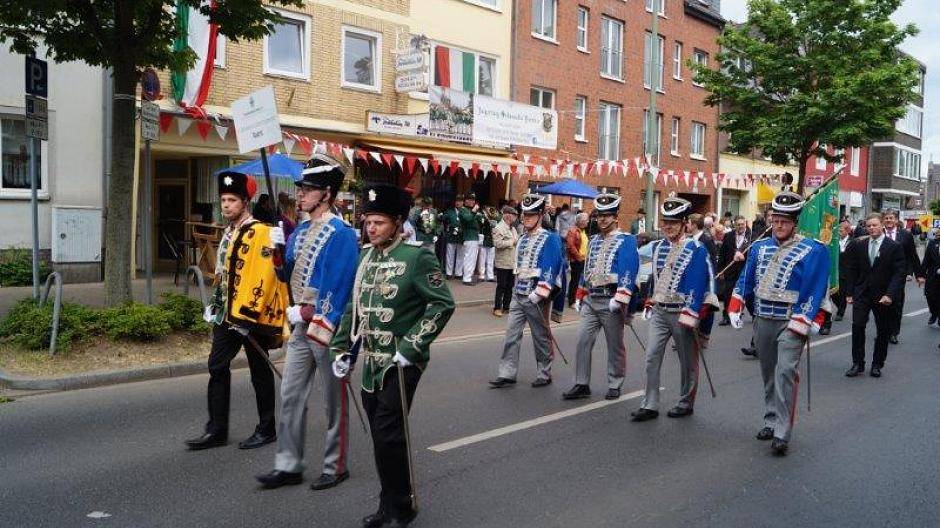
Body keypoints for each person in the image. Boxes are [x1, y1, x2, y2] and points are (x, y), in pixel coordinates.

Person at [330, 183, 455, 528]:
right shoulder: (365, 257)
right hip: (372, 362)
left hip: (402, 363)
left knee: (388, 433)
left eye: (379, 222)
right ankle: (389, 504)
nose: (371, 229)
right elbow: (354, 307)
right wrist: (341, 349)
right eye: (368, 221)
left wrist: (411, 347)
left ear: (398, 223)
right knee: (382, 437)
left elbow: (443, 304)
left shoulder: (417, 257)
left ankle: (401, 506)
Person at [255, 155, 358, 491]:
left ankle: (335, 465)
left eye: (308, 189)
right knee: (290, 394)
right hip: (301, 327)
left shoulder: (342, 234)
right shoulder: (299, 231)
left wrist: (308, 313)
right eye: (301, 188)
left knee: (333, 402)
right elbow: (286, 275)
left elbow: (338, 285)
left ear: (326, 194)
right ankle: (289, 465)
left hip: (328, 329)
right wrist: (277, 251)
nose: (300, 194)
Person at [185, 171, 287, 451]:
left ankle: (266, 428)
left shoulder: (261, 231)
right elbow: (223, 273)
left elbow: (266, 275)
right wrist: (216, 304)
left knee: (259, 369)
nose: (226, 205)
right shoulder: (228, 232)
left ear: (245, 202)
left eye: (232, 200)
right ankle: (216, 429)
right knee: (217, 365)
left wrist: (249, 315)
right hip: (226, 314)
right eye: (223, 200)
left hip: (251, 314)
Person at [728, 190, 830, 456]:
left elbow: (816, 286)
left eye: (784, 221)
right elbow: (747, 278)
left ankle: (782, 432)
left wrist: (809, 318)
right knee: (768, 373)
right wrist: (736, 303)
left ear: (795, 222)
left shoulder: (813, 250)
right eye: (775, 220)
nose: (779, 225)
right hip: (762, 318)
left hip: (791, 321)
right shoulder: (759, 248)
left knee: (785, 372)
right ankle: (771, 419)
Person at [630, 196, 717, 423]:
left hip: (682, 312)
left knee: (687, 361)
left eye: (674, 222)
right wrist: (648, 299)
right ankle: (649, 404)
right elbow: (653, 277)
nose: (668, 226)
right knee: (651, 356)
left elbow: (707, 279)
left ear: (684, 224)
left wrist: (699, 310)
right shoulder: (657, 247)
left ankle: (686, 401)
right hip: (660, 311)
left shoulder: (696, 248)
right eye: (666, 222)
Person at [563, 194, 638, 401]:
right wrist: (580, 292)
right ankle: (581, 383)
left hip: (611, 300)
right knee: (582, 340)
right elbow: (587, 269)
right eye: (600, 216)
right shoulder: (594, 240)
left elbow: (629, 271)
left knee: (614, 344)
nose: (603, 219)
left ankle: (615, 382)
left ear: (616, 216)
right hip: (591, 299)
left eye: (608, 215)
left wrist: (621, 298)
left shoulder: (626, 240)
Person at [489, 194, 566, 389]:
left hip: (537, 296)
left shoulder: (550, 238)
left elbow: (552, 266)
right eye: (525, 214)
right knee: (511, 335)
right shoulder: (522, 238)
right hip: (519, 294)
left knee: (540, 337)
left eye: (531, 215)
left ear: (540, 215)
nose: (526, 218)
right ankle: (507, 373)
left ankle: (544, 373)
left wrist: (540, 292)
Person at [842, 213, 907, 378]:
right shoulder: (860, 245)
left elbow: (899, 273)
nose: (871, 228)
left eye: (875, 225)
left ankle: (877, 364)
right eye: (869, 226)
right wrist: (849, 292)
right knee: (858, 326)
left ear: (882, 225)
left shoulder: (893, 246)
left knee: (883, 330)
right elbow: (852, 269)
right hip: (862, 293)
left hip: (883, 296)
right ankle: (858, 363)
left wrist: (890, 295)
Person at [882, 209, 924, 343]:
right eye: (886, 218)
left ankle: (894, 332)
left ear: (896, 220)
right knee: (881, 305)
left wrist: (919, 274)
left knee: (896, 305)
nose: (889, 220)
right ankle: (883, 331)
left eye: (891, 218)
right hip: (880, 276)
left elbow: (913, 255)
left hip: (898, 276)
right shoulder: (878, 233)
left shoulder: (905, 235)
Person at [717, 216, 752, 326]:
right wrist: (721, 270)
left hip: (744, 269)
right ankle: (726, 316)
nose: (740, 226)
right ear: (734, 225)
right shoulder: (728, 236)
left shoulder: (751, 236)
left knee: (745, 293)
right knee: (728, 293)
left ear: (745, 224)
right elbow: (722, 253)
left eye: (742, 224)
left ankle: (751, 313)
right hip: (730, 269)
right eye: (738, 224)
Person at [492, 206, 519, 317]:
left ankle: (506, 307)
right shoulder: (498, 228)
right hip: (502, 262)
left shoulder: (513, 229)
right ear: (508, 215)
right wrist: (511, 242)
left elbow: (517, 240)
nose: (515, 218)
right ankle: (497, 308)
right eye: (514, 215)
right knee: (501, 286)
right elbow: (497, 244)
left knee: (510, 286)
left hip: (511, 262)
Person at [829, 219, 855, 322]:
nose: (839, 232)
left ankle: (840, 312)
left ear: (847, 230)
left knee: (843, 292)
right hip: (834, 271)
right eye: (838, 230)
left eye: (841, 230)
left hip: (846, 272)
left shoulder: (853, 242)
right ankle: (840, 306)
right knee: (833, 293)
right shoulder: (834, 241)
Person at [565, 213, 589, 307]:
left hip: (583, 259)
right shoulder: (573, 231)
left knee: (580, 281)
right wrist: (578, 257)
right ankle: (572, 301)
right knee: (575, 281)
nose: (587, 222)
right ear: (581, 221)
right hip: (577, 260)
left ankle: (577, 298)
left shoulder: (582, 231)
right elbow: (570, 246)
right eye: (586, 220)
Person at [459, 192, 484, 285]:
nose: (472, 202)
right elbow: (468, 219)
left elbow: (480, 222)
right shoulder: (463, 210)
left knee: (472, 259)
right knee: (469, 258)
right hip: (469, 236)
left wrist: (480, 217)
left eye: (473, 200)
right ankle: (466, 278)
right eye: (470, 200)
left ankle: (469, 276)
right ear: (465, 201)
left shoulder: (470, 210)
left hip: (474, 236)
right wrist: (474, 212)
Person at [443, 195, 464, 278]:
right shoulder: (450, 211)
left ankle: (458, 273)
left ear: (463, 202)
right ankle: (449, 273)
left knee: (460, 255)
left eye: (460, 201)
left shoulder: (465, 211)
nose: (458, 203)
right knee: (450, 255)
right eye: (456, 201)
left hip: (461, 236)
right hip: (451, 235)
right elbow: (444, 219)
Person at [922, 229, 940, 325]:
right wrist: (921, 275)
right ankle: (934, 313)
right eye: (937, 235)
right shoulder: (932, 244)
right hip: (932, 275)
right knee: (929, 295)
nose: (938, 236)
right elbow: (926, 260)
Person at [477, 206, 498, 282]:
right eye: (489, 211)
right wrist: (485, 218)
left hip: (491, 241)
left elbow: (494, 226)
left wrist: (491, 218)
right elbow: (480, 225)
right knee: (482, 259)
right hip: (484, 240)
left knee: (490, 260)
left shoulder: (495, 219)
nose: (490, 213)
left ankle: (490, 276)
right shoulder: (482, 217)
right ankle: (481, 275)